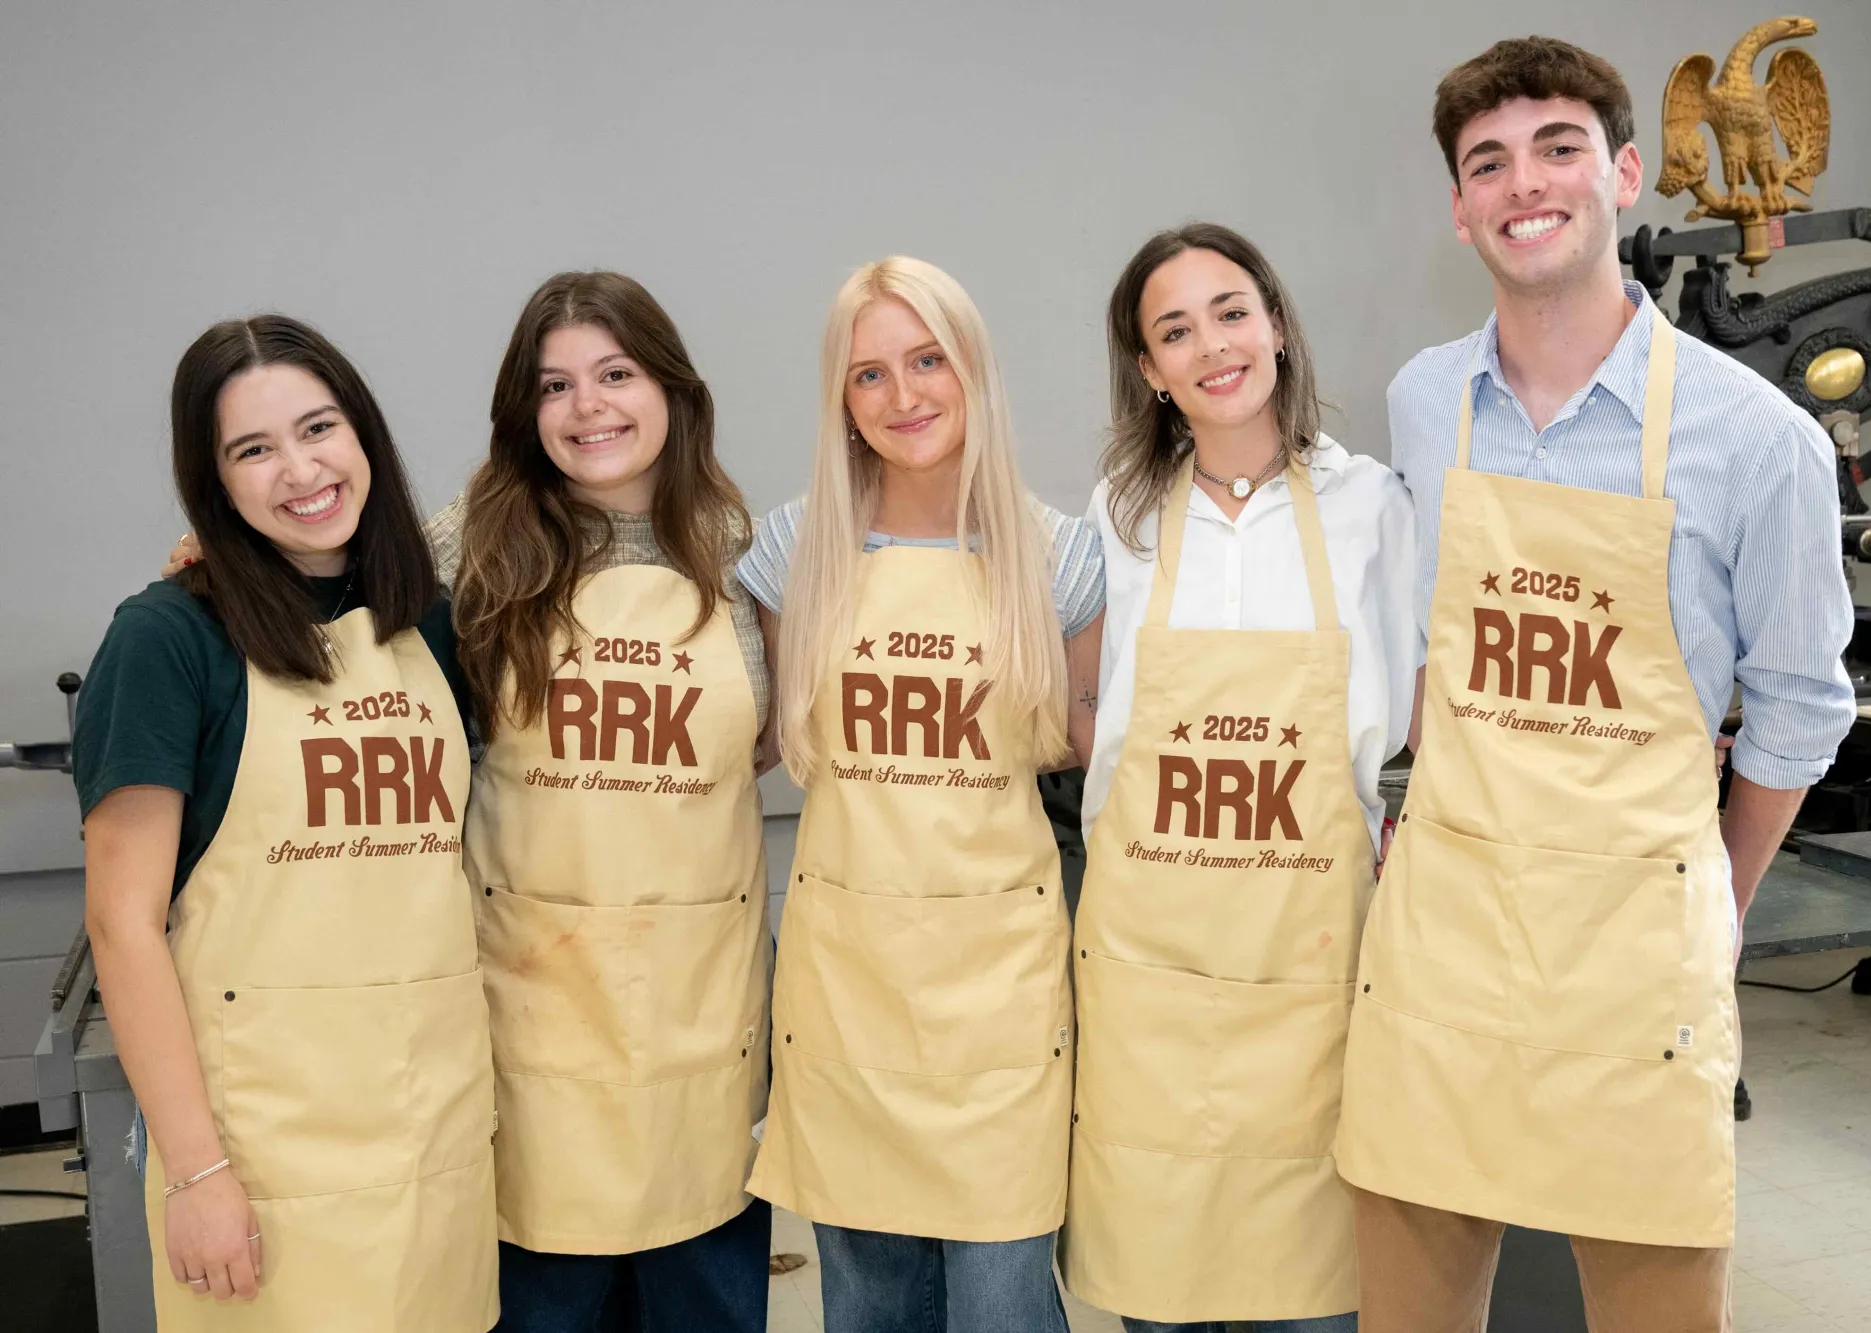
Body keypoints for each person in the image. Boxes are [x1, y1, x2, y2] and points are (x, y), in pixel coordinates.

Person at [1334, 38, 1855, 1332]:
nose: (1526, 184)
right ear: (1459, 206)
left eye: (1559, 147)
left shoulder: (1757, 438)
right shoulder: (1422, 402)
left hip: (1635, 956)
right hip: (1445, 937)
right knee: (1407, 1296)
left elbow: (1799, 706)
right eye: (1488, 163)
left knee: (1655, 1299)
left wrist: (1711, 900)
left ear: (1625, 170)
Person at [77, 316, 497, 1331]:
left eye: (319, 428)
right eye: (252, 449)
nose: (300, 469)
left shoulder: (428, 620)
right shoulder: (167, 639)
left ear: (364, 435)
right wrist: (195, 1173)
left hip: (433, 1142)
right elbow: (122, 925)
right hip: (265, 1165)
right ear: (211, 479)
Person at [1060, 223, 1418, 1332]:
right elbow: (1086, 714)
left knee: (1311, 1289)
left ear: (1272, 323)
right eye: (1174, 330)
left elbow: (1406, 710)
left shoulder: (1370, 505)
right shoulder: (1115, 517)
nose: (1210, 345)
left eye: (1228, 311)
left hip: (1310, 954)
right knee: (1155, 1281)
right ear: (1149, 372)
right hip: (1147, 964)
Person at [737, 255, 1104, 1333]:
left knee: (1002, 1305)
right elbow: (744, 739)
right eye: (869, 375)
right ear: (840, 401)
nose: (904, 399)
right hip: (848, 989)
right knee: (868, 1305)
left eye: (927, 360)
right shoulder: (791, 550)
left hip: (998, 996)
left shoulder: (1059, 559)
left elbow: (1107, 754)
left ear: (972, 368)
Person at [450, 271, 774, 1332]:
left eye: (615, 374)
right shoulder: (466, 551)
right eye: (555, 386)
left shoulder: (744, 553)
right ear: (523, 411)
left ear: (671, 390)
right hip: (532, 1025)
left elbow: (763, 746)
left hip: (698, 1023)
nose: (588, 408)